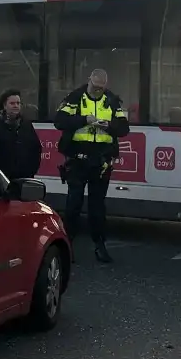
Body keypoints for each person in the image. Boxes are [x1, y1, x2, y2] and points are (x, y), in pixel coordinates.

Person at [54, 69, 129, 263]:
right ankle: (67, 246)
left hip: (101, 161)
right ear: (89, 81)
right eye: (95, 87)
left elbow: (124, 128)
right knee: (73, 205)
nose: (98, 91)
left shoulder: (111, 100)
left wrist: (109, 126)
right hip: (78, 159)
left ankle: (100, 246)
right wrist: (84, 120)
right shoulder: (75, 98)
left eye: (101, 88)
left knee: (97, 207)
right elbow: (59, 121)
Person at [0, 89, 43, 180]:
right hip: (1, 178)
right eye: (12, 103)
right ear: (4, 105)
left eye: (18, 103)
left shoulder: (26, 124)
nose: (16, 106)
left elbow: (36, 148)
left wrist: (31, 171)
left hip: (24, 178)